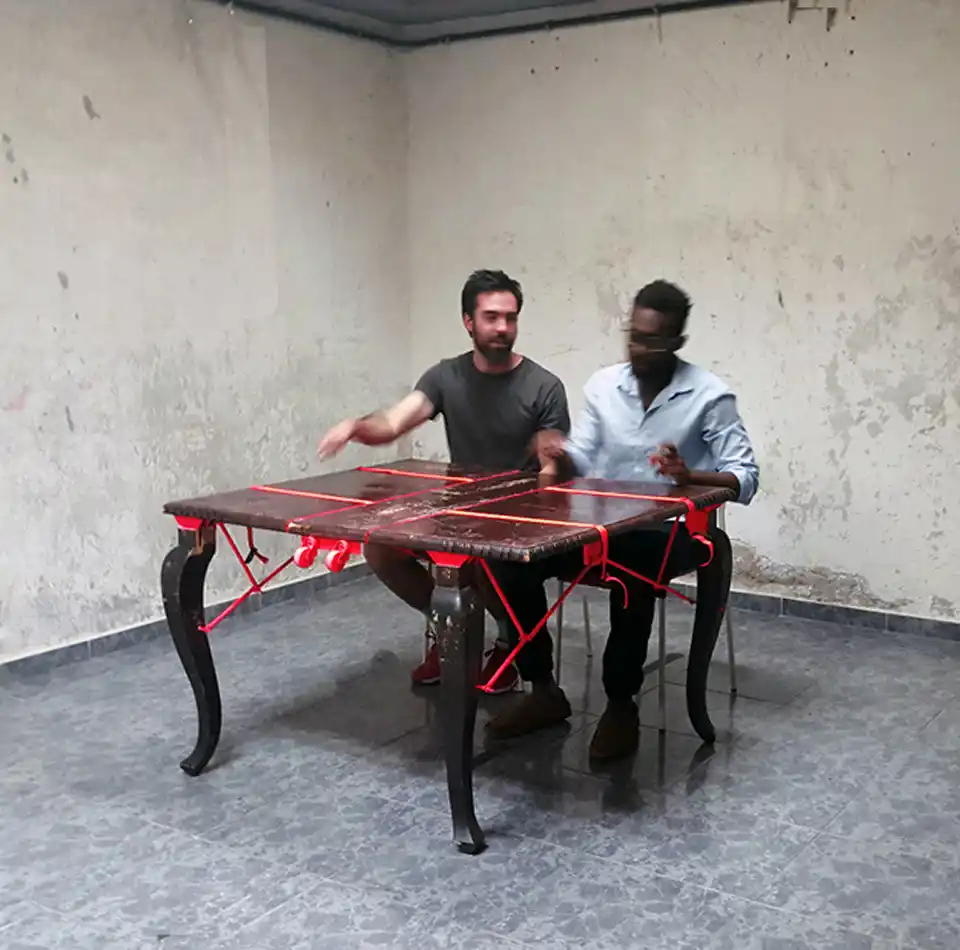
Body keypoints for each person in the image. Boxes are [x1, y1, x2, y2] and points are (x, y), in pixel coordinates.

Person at [485, 279, 759, 760]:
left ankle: (620, 704)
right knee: (509, 558)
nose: (639, 349)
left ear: (677, 341)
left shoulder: (709, 395)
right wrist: (558, 455)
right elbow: (581, 458)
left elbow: (746, 477)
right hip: (597, 525)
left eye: (653, 340)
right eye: (634, 336)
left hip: (673, 531)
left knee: (632, 563)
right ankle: (542, 688)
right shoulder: (604, 386)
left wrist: (688, 476)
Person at [316, 268, 571, 691]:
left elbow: (552, 478)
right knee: (380, 547)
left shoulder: (544, 387)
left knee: (487, 560)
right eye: (491, 317)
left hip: (518, 521)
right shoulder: (445, 377)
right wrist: (356, 427)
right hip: (459, 512)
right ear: (468, 321)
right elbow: (393, 422)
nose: (502, 327)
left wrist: (554, 465)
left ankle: (508, 643)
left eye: (510, 318)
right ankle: (450, 628)